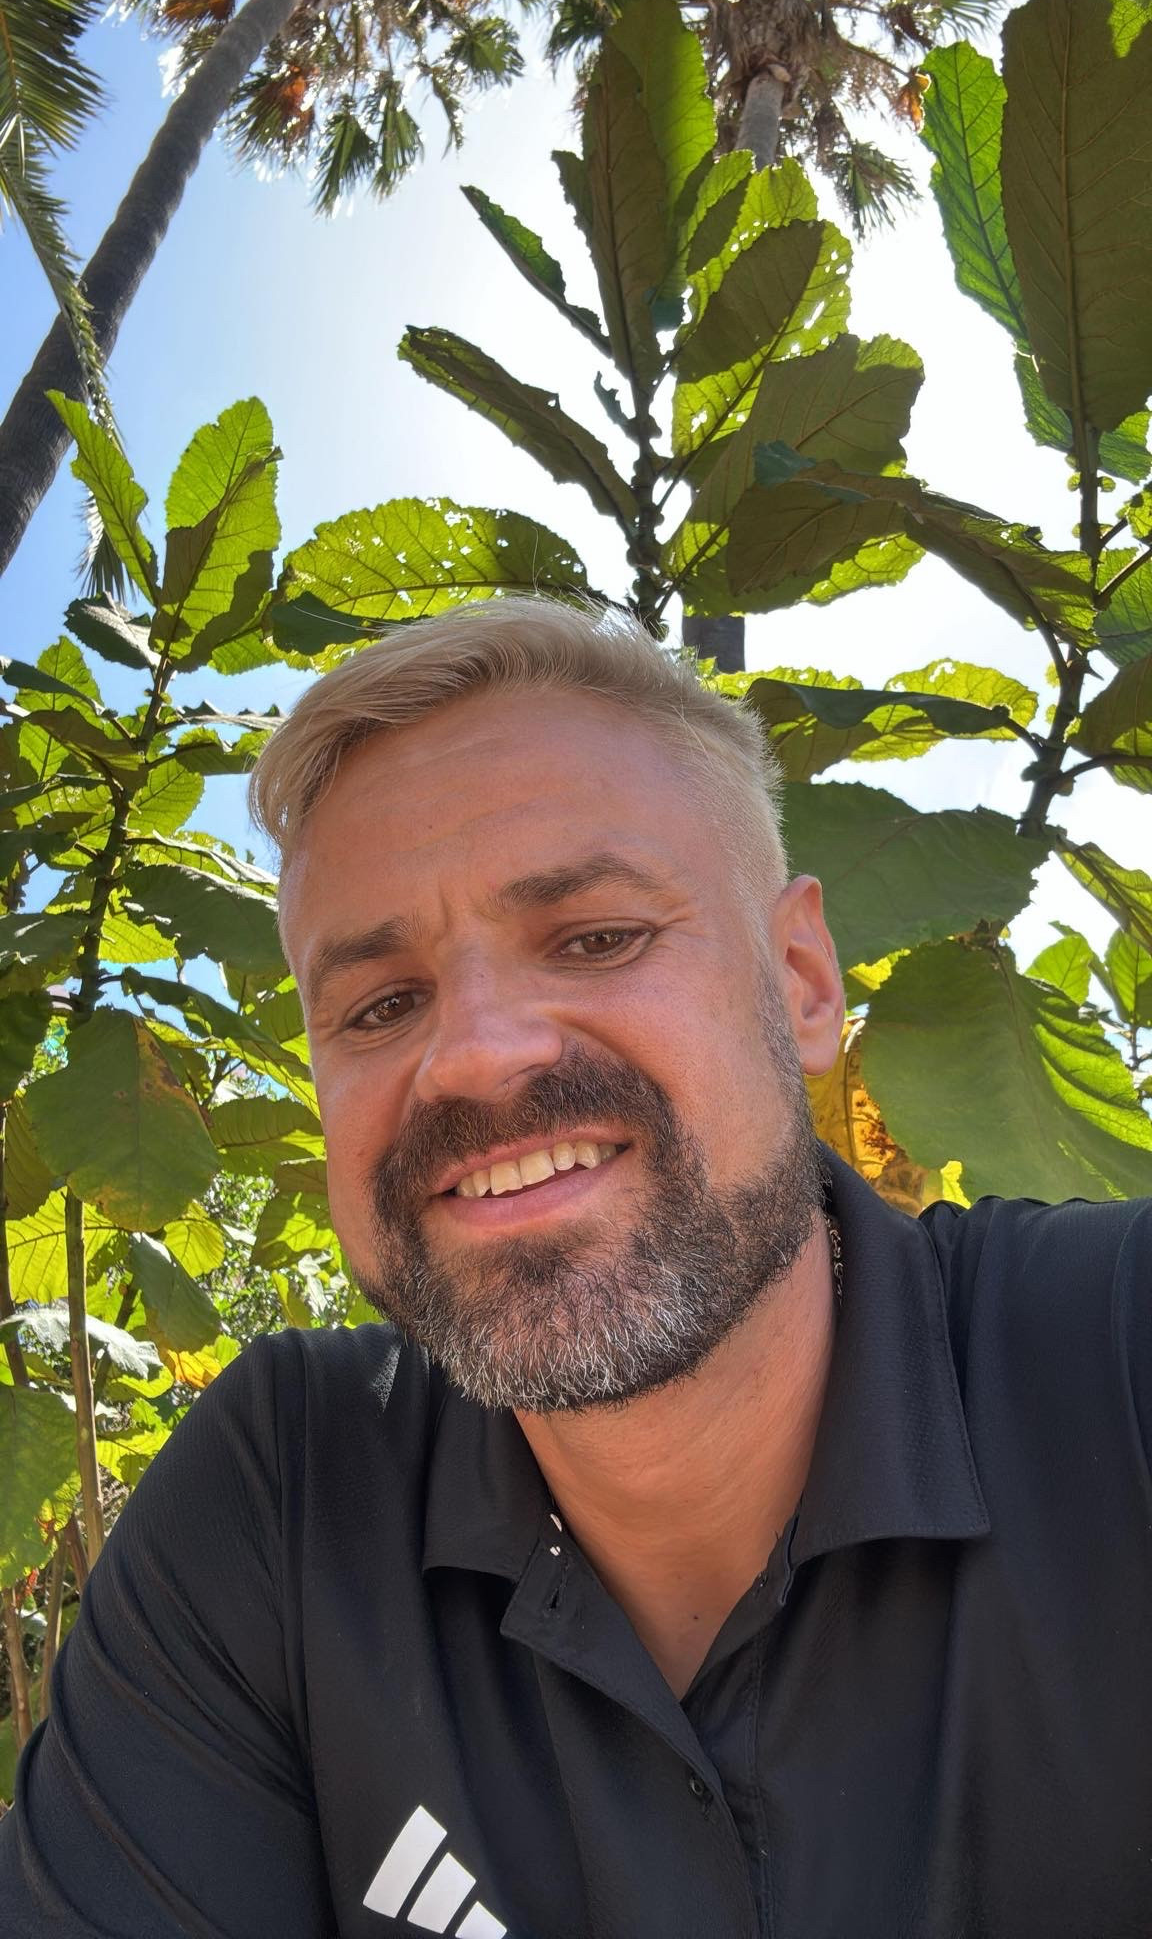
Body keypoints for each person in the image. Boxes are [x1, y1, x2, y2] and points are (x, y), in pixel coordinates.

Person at [2, 595, 1150, 1939]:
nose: (476, 1056)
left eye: (597, 938)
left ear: (801, 982)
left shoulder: (1116, 1362)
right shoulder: (287, 1492)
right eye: (380, 1005)